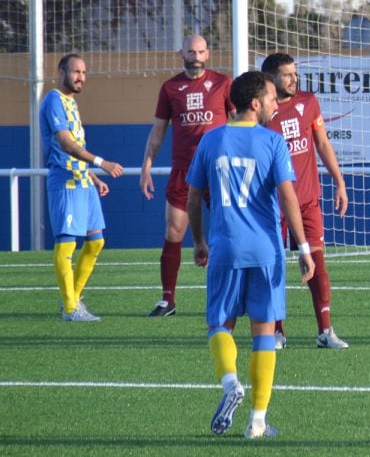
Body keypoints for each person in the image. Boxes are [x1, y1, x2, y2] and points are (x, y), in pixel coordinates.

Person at [187, 70, 315, 439]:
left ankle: (230, 384)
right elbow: (289, 197)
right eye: (273, 98)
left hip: (225, 247)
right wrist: (303, 248)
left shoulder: (210, 141)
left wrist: (199, 242)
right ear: (255, 103)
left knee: (220, 324)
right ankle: (257, 422)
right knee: (264, 331)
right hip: (265, 250)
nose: (277, 104)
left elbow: (194, 198)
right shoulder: (273, 142)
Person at [261, 53, 349, 350]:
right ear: (271, 78)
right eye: (287, 74)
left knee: (318, 264)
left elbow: (322, 142)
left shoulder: (308, 102)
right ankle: (276, 332)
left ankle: (325, 331)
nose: (293, 78)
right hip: (272, 205)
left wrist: (339, 181)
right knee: (274, 266)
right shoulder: (260, 113)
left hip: (308, 202)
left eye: (294, 73)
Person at [140, 35, 234, 317]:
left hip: (218, 169)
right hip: (184, 169)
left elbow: (238, 123)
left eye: (200, 52)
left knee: (225, 232)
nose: (195, 56)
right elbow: (158, 132)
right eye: (190, 51)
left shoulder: (223, 83)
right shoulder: (170, 88)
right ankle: (168, 299)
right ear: (181, 52)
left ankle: (227, 297)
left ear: (208, 54)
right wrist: (146, 166)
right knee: (173, 231)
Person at [40, 54, 124, 322]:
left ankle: (74, 299)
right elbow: (66, 144)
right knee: (66, 244)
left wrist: (94, 177)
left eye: (84, 72)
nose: (80, 77)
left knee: (96, 240)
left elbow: (77, 146)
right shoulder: (54, 99)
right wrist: (102, 163)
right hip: (65, 181)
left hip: (83, 181)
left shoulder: (71, 103)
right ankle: (69, 307)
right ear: (61, 72)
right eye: (75, 71)